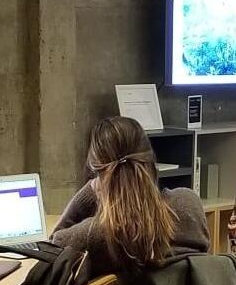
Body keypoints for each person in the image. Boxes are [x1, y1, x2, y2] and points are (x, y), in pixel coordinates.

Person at [52, 116, 210, 274]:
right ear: (150, 161)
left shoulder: (94, 234)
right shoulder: (188, 205)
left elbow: (50, 250)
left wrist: (90, 190)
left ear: (98, 172)